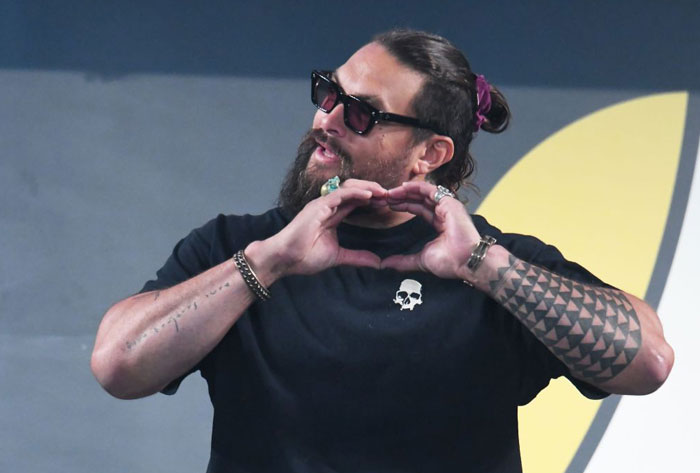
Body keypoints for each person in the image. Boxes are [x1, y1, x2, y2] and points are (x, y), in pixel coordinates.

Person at [91, 29, 674, 472]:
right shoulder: (235, 247)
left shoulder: (500, 267)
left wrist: (485, 266)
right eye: (328, 92)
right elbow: (116, 365)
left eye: (361, 112)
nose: (326, 118)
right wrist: (266, 263)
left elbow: (648, 362)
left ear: (430, 154)